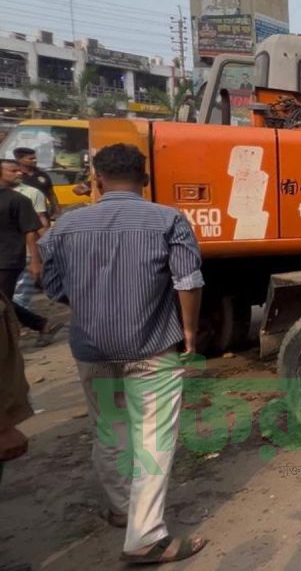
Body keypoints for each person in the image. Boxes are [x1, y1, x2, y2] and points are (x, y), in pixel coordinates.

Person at [39, 143, 207, 564]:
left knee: (109, 431)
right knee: (153, 437)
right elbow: (187, 280)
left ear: (96, 181)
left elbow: (52, 286)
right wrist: (189, 329)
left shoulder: (63, 227)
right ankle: (146, 536)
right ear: (145, 180)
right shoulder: (168, 220)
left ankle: (121, 509)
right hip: (153, 348)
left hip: (92, 350)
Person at [0, 160, 48, 337]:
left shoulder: (19, 200)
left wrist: (35, 261)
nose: (19, 174)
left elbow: (29, 230)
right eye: (13, 171)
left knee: (2, 302)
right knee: (3, 301)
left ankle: (10, 339)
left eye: (19, 171)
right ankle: (39, 323)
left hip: (9, 259)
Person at [13, 146, 59, 218]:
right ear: (19, 160)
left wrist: (57, 211)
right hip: (20, 215)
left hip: (41, 214)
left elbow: (51, 194)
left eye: (35, 158)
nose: (35, 160)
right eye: (31, 159)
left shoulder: (42, 175)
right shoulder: (14, 176)